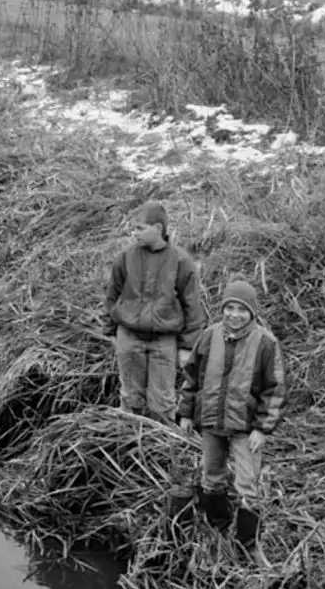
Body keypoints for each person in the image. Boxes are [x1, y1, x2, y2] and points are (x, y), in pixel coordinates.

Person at [176, 279, 286, 566]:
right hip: (210, 420)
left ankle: (248, 542)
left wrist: (263, 429)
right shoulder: (209, 336)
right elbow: (191, 379)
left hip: (245, 428)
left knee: (248, 483)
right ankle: (218, 526)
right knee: (211, 475)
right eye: (230, 308)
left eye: (242, 310)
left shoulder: (266, 342)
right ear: (222, 309)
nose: (234, 315)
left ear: (252, 313)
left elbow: (274, 390)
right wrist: (186, 414)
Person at [103, 200, 207, 423]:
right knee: (131, 401)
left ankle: (162, 449)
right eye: (133, 228)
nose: (134, 233)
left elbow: (193, 306)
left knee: (162, 403)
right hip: (129, 338)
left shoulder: (181, 261)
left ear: (158, 228)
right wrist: (111, 332)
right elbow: (112, 295)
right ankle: (128, 446)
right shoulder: (125, 257)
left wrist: (187, 346)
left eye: (140, 228)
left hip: (164, 342)